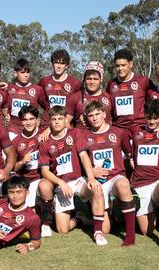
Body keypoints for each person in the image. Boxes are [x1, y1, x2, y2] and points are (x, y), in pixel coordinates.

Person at [37, 105, 107, 246]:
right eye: (54, 119)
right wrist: (61, 183)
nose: (57, 122)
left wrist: (91, 178)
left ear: (65, 121)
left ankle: (98, 232)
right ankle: (79, 218)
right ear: (49, 122)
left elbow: (84, 157)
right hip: (61, 185)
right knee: (63, 230)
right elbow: (45, 172)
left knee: (97, 188)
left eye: (60, 119)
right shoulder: (45, 143)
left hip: (78, 181)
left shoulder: (75, 133)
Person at [83, 101, 135, 245]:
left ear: (104, 114)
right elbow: (79, 161)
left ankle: (130, 236)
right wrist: (91, 172)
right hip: (98, 181)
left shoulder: (119, 132)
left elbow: (130, 154)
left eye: (97, 114)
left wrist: (132, 160)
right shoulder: (84, 136)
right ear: (87, 118)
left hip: (115, 177)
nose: (94, 118)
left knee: (123, 184)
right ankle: (104, 214)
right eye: (91, 116)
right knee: (105, 229)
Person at [130, 99, 159, 249]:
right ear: (144, 115)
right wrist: (130, 157)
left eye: (155, 117)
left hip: (156, 182)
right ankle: (155, 212)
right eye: (149, 117)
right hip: (138, 184)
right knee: (145, 230)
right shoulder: (135, 131)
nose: (151, 121)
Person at [106, 49, 155, 129]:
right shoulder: (111, 84)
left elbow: (157, 99)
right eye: (117, 66)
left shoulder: (143, 81)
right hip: (119, 128)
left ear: (130, 64)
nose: (120, 68)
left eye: (123, 65)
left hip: (139, 128)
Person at [38, 49, 81, 127]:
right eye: (56, 62)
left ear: (67, 66)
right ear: (52, 64)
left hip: (66, 126)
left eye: (62, 63)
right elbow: (40, 100)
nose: (58, 66)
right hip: (47, 124)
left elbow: (79, 105)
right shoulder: (44, 81)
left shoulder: (75, 83)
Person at [65, 62, 113, 130]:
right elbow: (66, 121)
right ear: (84, 80)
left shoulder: (109, 97)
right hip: (82, 139)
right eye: (89, 79)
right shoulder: (75, 97)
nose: (92, 82)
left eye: (95, 79)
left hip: (105, 139)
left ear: (101, 79)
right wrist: (74, 136)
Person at [6, 58, 46, 135]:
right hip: (13, 129)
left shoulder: (37, 89)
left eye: (28, 72)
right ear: (15, 73)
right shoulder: (8, 88)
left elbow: (47, 107)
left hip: (31, 129)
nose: (26, 75)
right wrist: (6, 116)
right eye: (22, 72)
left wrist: (40, 120)